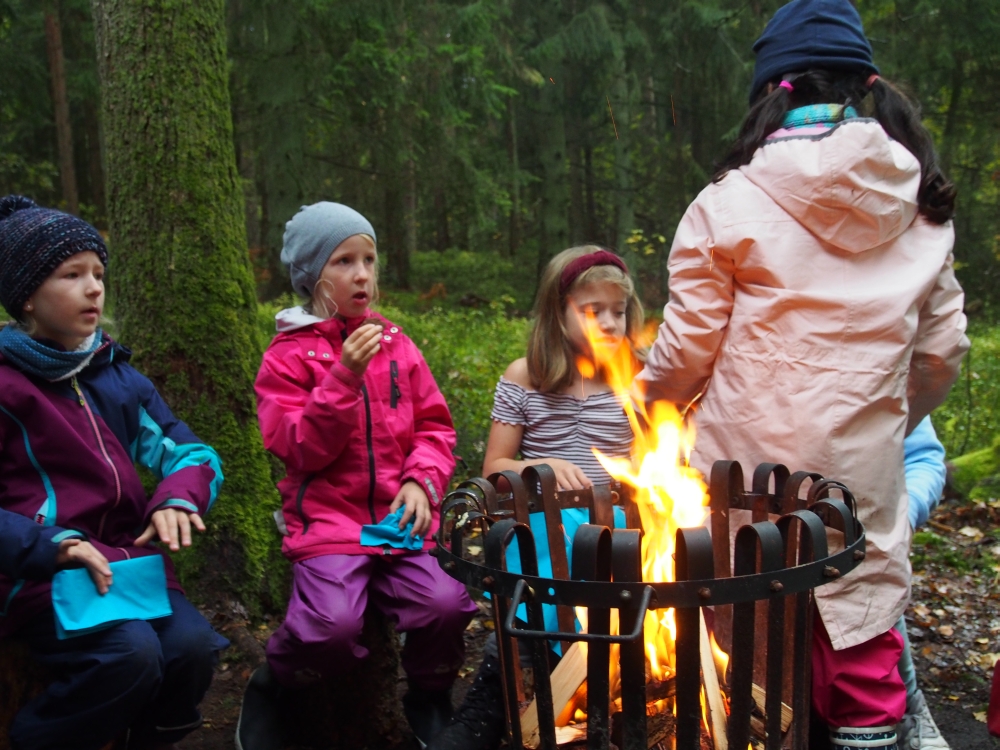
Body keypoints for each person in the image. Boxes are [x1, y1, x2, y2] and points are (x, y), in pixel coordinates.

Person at [633, 1, 969, 748]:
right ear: (866, 87)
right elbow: (942, 354)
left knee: (753, 646)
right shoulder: (922, 211)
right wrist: (882, 421)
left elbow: (687, 349)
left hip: (742, 470)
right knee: (859, 641)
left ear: (770, 92)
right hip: (860, 473)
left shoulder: (726, 203)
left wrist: (648, 401)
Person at [240, 202, 477, 750]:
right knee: (331, 628)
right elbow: (299, 449)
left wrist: (422, 481)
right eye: (343, 260)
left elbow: (435, 428)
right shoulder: (286, 357)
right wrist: (343, 375)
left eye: (369, 258)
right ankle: (276, 680)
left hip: (398, 523)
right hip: (328, 524)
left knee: (445, 606)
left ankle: (429, 695)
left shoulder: (397, 343)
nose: (363, 274)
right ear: (310, 275)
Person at [0, 195, 227, 750]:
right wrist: (52, 546)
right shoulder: (6, 387)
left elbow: (194, 455)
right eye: (71, 274)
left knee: (194, 650)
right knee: (130, 655)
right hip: (40, 578)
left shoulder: (117, 377)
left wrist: (178, 500)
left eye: (98, 273)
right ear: (26, 296)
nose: (94, 287)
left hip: (129, 570)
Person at [429, 246, 643, 750]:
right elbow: (495, 467)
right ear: (557, 309)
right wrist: (536, 468)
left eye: (619, 311)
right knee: (547, 547)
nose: (610, 323)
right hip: (541, 523)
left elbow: (660, 463)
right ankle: (506, 694)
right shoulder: (525, 375)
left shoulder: (637, 374)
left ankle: (548, 698)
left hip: (616, 530)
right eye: (594, 312)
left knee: (597, 547)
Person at [897, 416, 949, 750]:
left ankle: (907, 708)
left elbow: (922, 460)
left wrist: (904, 514)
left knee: (867, 576)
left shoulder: (879, 366)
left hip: (847, 532)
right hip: (738, 537)